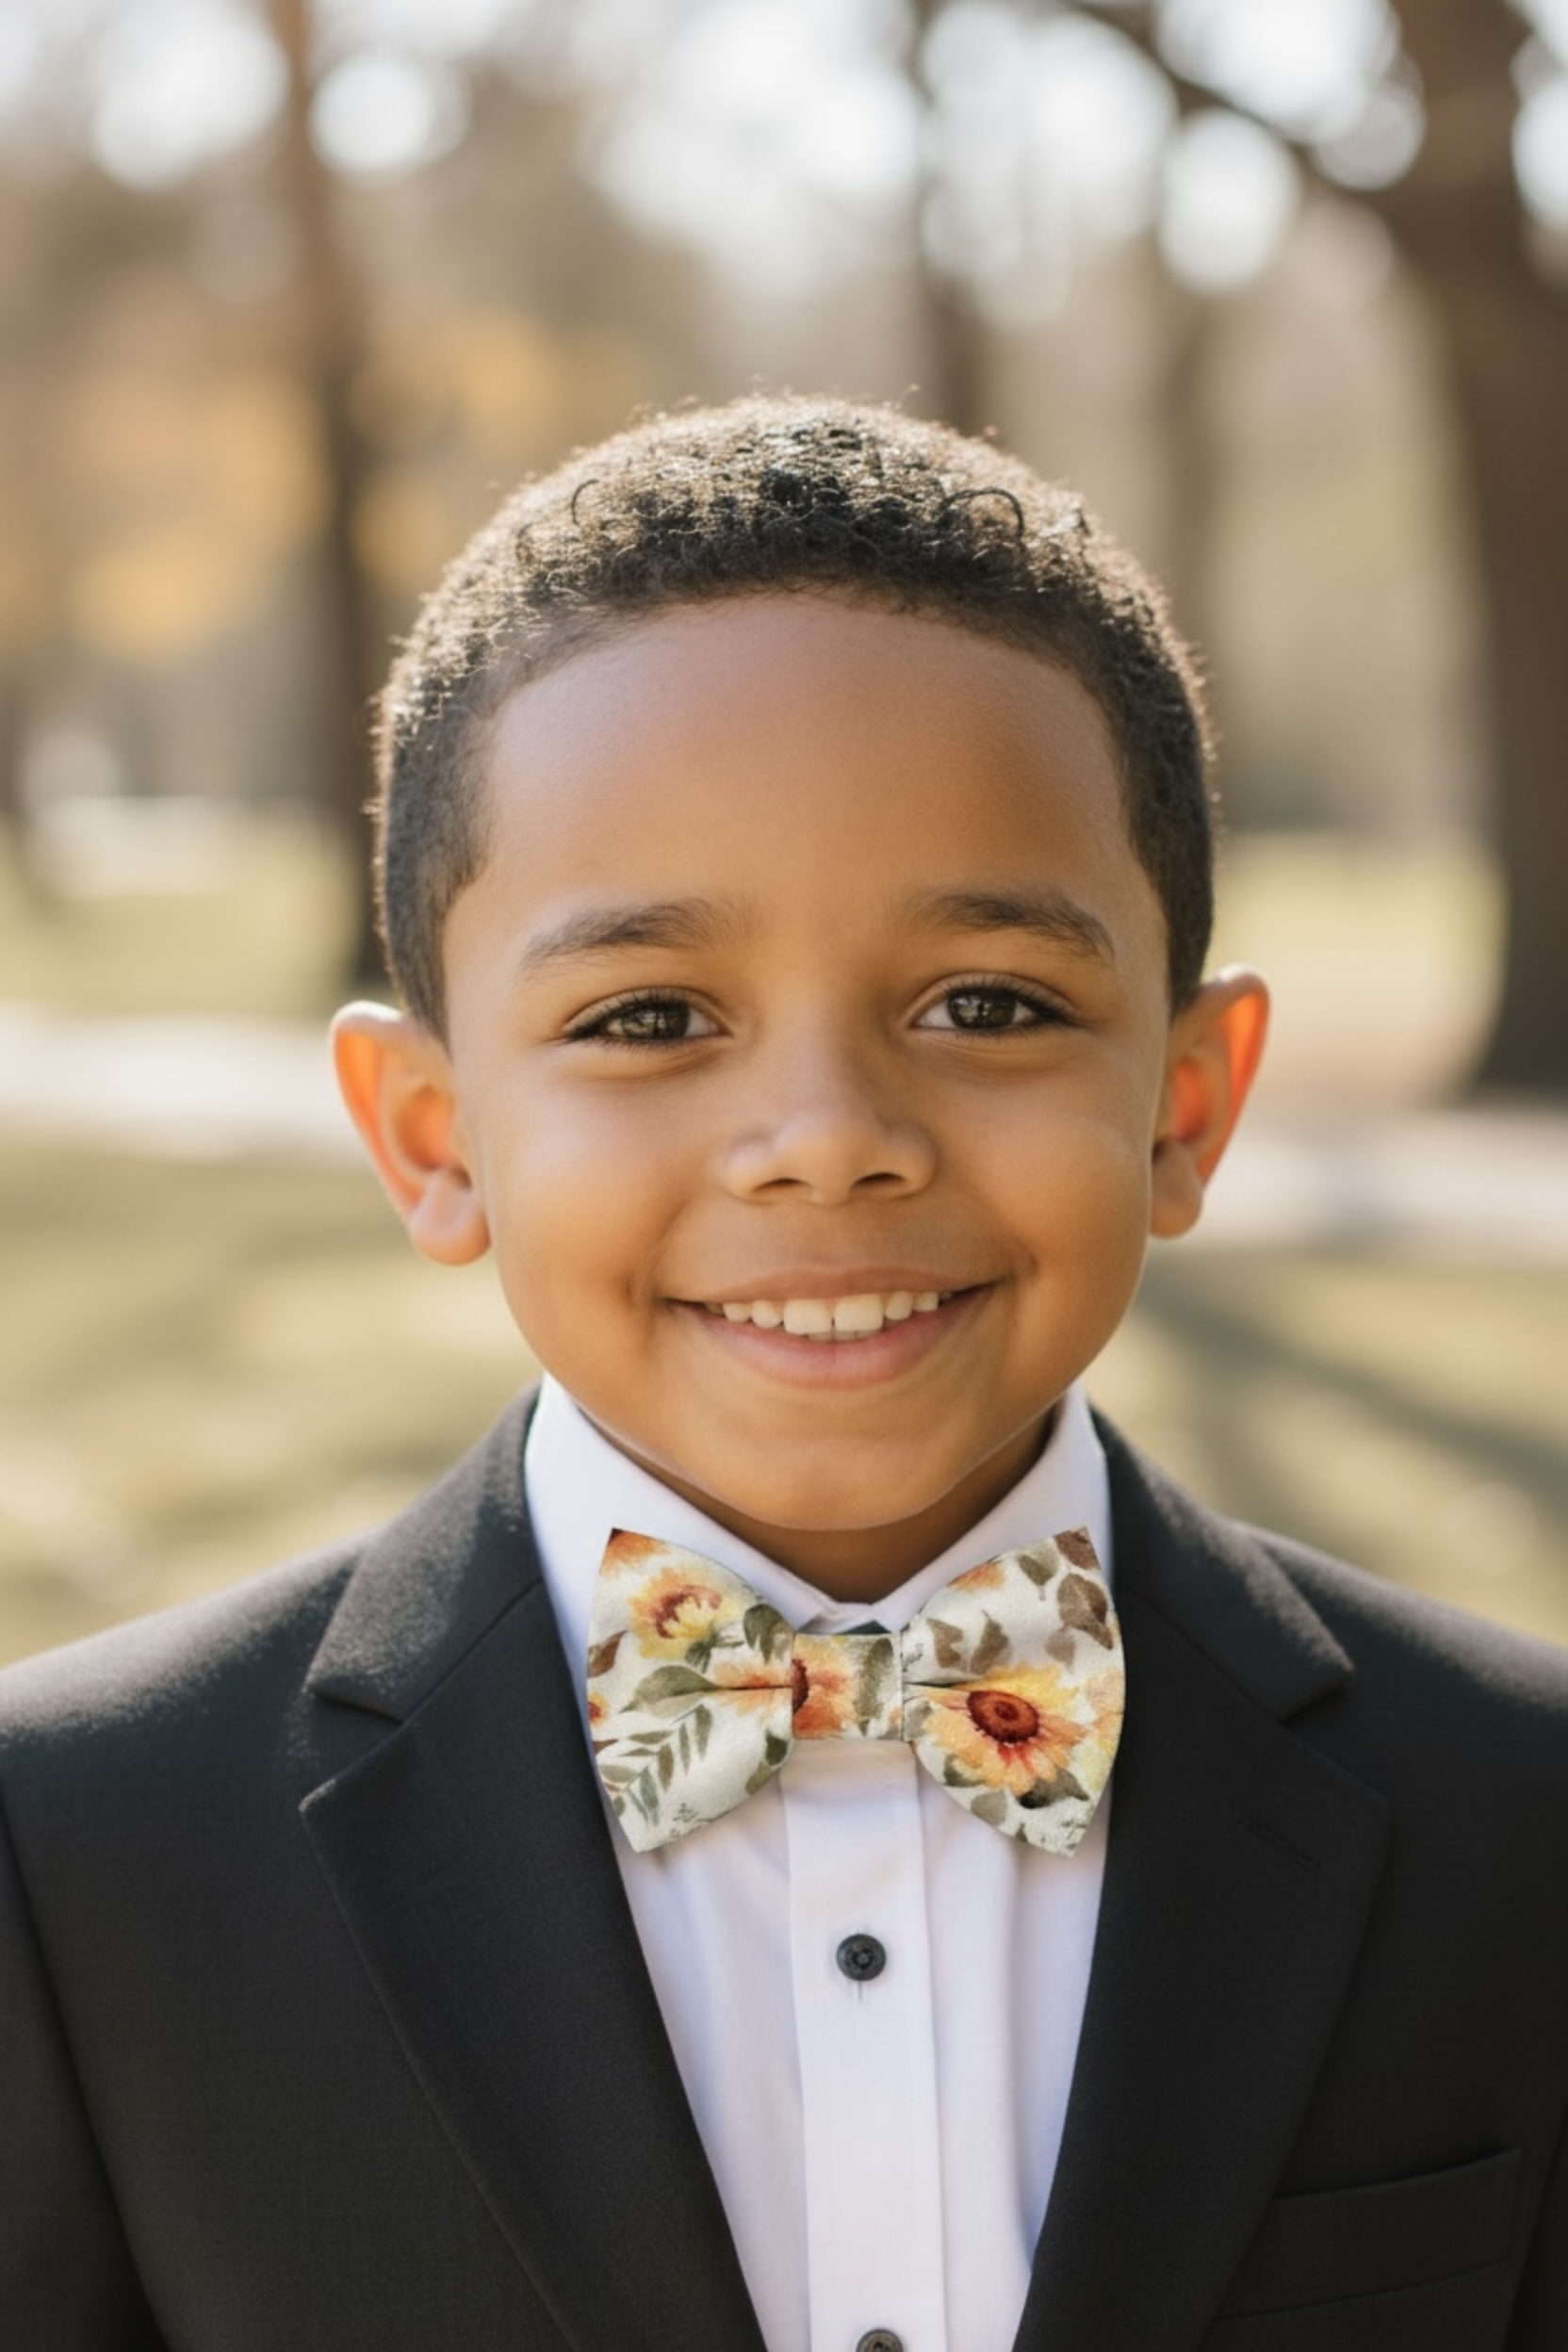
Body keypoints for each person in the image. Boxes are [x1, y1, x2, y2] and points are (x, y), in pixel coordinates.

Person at [2, 397, 1564, 2352]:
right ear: (429, 1135)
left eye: (985, 1005)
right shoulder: (74, 1856)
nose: (825, 1137)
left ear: (1184, 1101)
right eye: (649, 1016)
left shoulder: (1520, 1821)